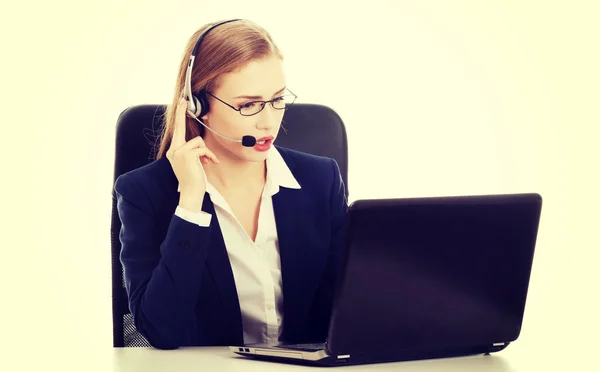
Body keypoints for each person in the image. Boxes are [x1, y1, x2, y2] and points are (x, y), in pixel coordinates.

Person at [114, 19, 348, 350]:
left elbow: (344, 310)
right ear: (198, 107)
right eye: (248, 105)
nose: (269, 121)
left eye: (278, 99)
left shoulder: (321, 180)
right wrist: (190, 202)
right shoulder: (144, 193)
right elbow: (161, 331)